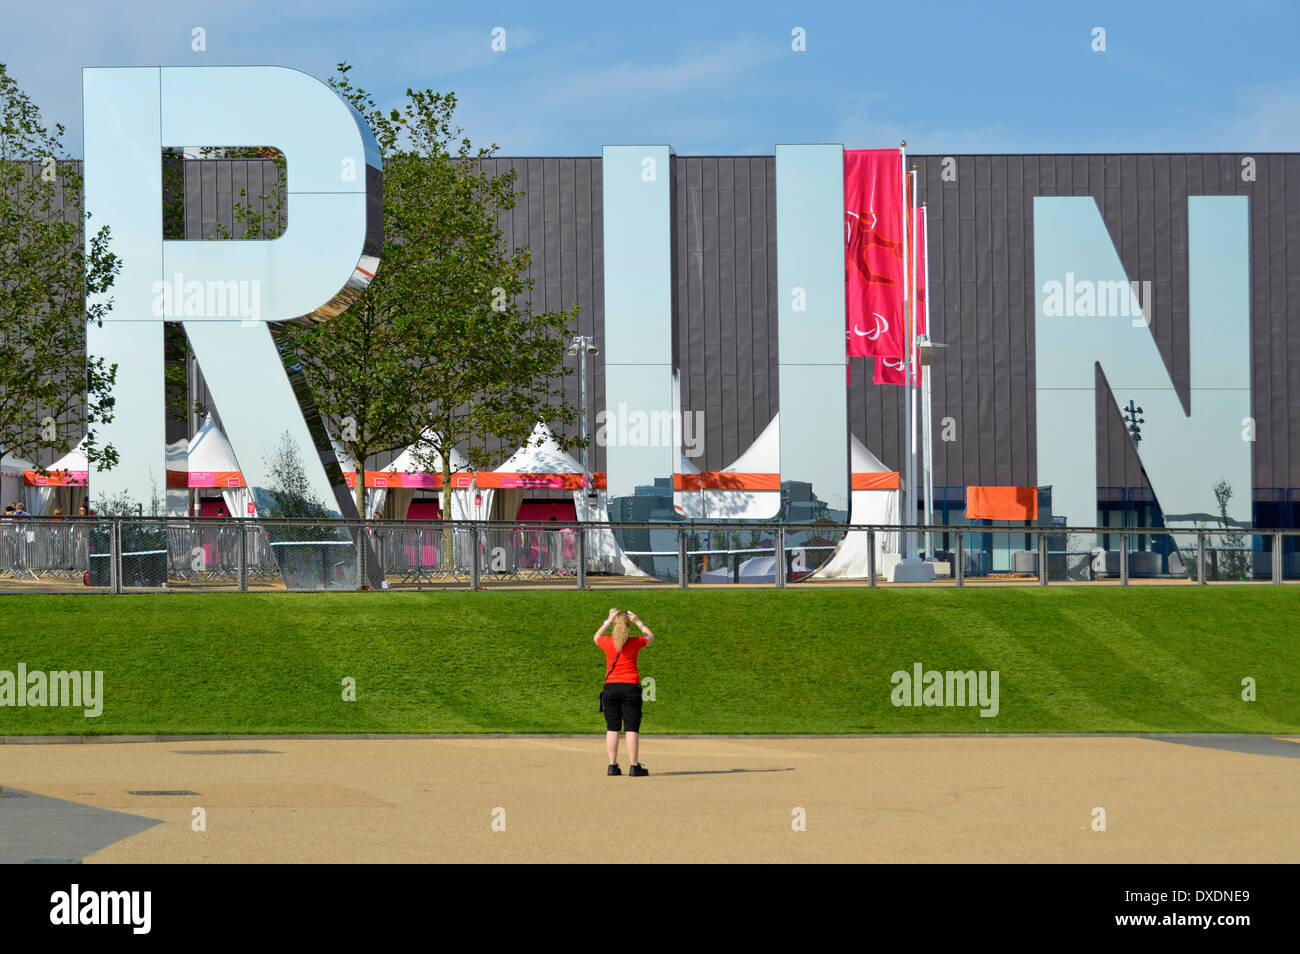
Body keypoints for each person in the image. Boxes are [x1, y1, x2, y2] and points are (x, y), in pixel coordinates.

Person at [594, 607, 654, 776]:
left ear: (614, 626)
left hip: (611, 687)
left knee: (612, 728)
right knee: (631, 728)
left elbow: (596, 637)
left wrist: (607, 619)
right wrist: (637, 621)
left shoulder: (607, 642)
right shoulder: (635, 642)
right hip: (631, 687)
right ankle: (634, 766)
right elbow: (650, 636)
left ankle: (612, 765)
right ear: (628, 626)